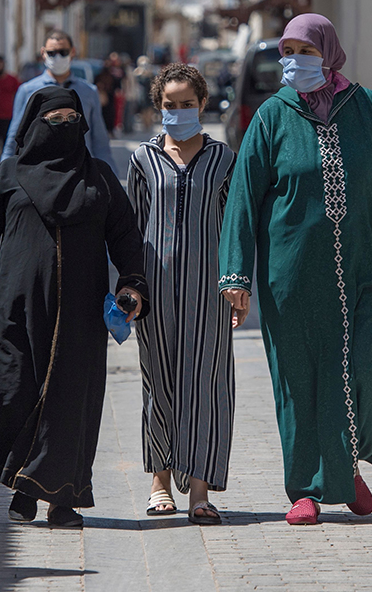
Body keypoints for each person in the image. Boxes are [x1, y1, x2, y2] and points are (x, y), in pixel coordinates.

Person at [219, 13, 372, 525]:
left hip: (360, 270)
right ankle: (304, 488)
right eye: (287, 52)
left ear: (327, 52)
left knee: (365, 367)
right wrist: (236, 275)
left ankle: (346, 469)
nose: (294, 61)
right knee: (297, 377)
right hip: (291, 274)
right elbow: (243, 198)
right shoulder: (271, 117)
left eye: (304, 51)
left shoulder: (369, 109)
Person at [0, 86, 149, 528]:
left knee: (72, 402)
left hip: (80, 316)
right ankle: (23, 487)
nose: (63, 126)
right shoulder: (7, 175)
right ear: (34, 125)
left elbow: (125, 237)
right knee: (17, 393)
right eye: (54, 119)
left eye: (71, 118)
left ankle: (63, 498)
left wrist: (133, 285)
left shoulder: (99, 176)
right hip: (17, 310)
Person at [127, 63, 236, 526]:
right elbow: (129, 228)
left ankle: (199, 490)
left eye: (186, 105)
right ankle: (159, 482)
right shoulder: (143, 160)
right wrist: (127, 287)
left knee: (205, 385)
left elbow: (236, 228)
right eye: (170, 106)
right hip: (154, 293)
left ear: (202, 104)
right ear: (159, 108)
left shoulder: (224, 160)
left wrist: (239, 282)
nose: (178, 113)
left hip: (209, 292)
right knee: (159, 383)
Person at [0, 31, 115, 169]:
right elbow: (14, 138)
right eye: (52, 53)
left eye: (63, 52)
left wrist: (110, 179)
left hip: (79, 170)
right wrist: (3, 175)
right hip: (40, 170)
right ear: (43, 53)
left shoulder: (89, 92)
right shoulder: (28, 91)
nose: (58, 57)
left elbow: (100, 141)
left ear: (72, 52)